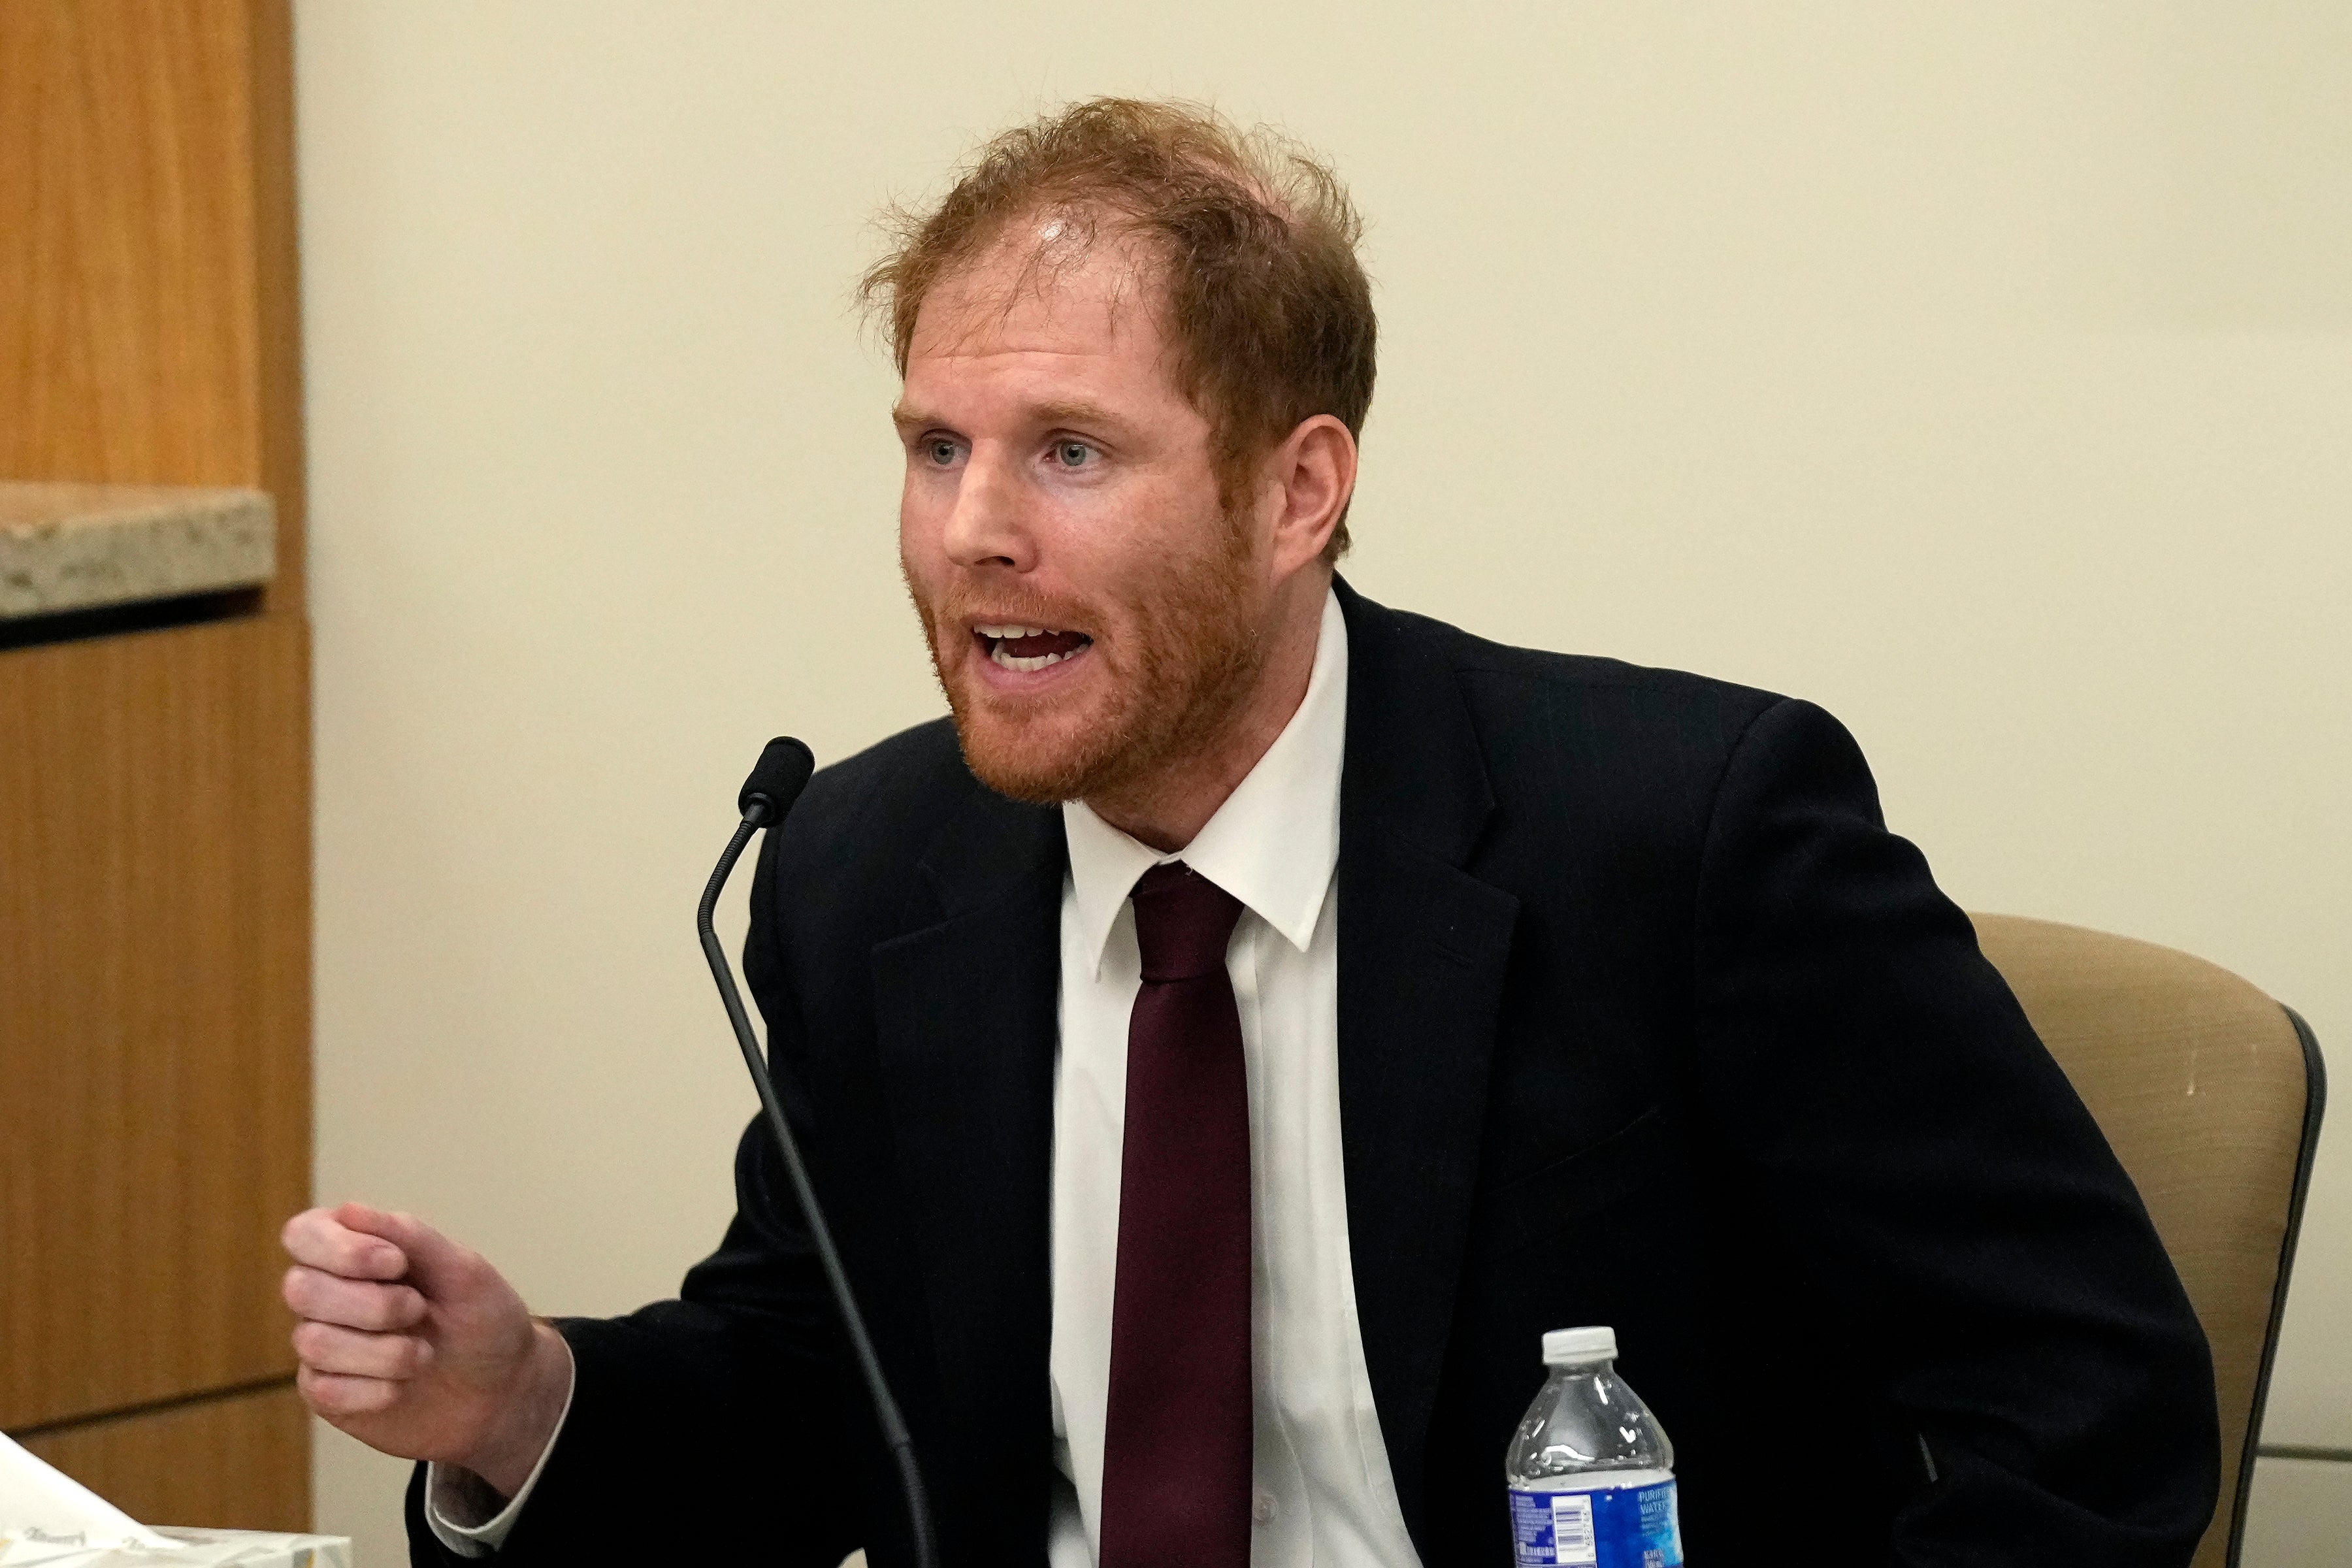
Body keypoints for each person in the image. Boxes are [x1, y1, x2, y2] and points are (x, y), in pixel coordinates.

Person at [280, 99, 2218, 1567]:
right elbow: (828, 1393)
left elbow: (2085, 1408)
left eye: (1070, 450)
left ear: (1301, 493)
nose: (971, 533)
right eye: (934, 446)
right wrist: (526, 1402)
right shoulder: (877, 871)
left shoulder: (1682, 839)